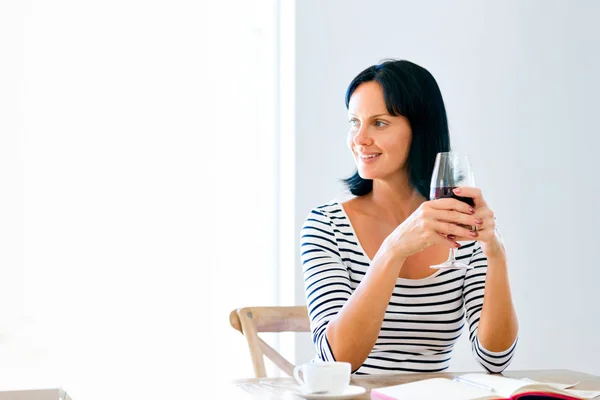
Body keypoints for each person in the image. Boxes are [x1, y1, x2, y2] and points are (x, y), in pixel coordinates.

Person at [300, 60, 518, 375]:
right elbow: (337, 361)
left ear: (420, 130)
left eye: (379, 123)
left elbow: (494, 359)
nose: (359, 139)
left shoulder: (459, 226)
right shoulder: (328, 226)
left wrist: (495, 252)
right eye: (354, 122)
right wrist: (394, 248)